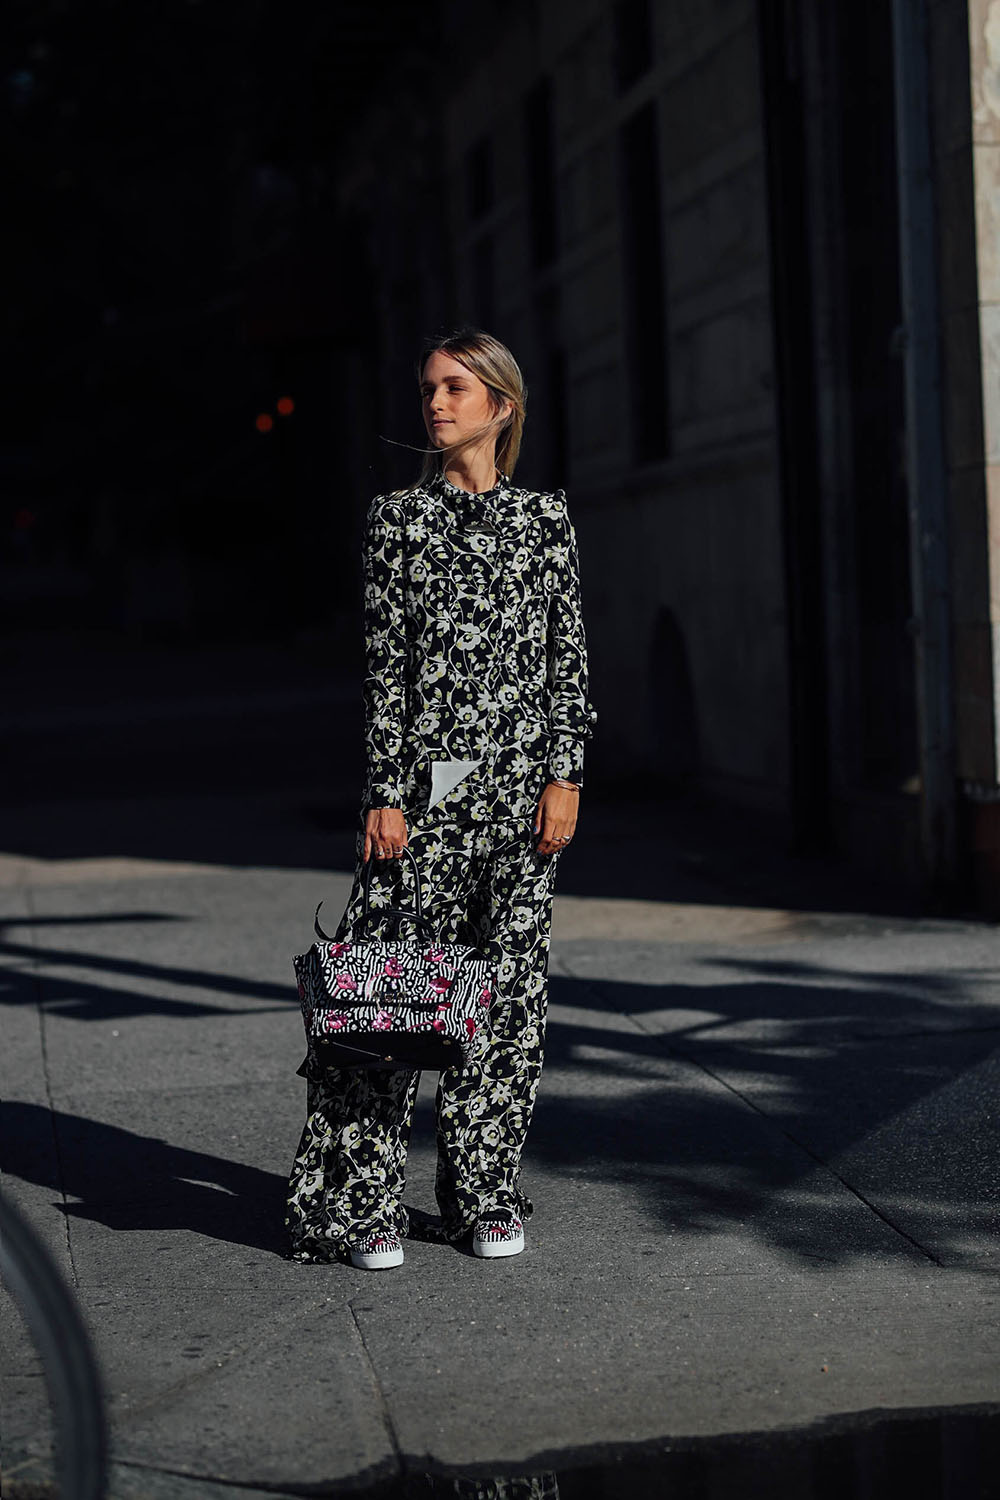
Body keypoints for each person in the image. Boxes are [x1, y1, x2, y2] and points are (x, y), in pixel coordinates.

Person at [285, 327, 597, 1269]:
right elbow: (389, 674)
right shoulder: (399, 522)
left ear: (501, 404)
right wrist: (387, 792)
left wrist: (565, 772)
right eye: (428, 388)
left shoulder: (545, 520)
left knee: (504, 1000)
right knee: (390, 1001)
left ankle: (482, 1196)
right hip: (431, 786)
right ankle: (363, 1205)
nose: (435, 404)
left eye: (457, 388)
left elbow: (566, 660)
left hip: (519, 788)